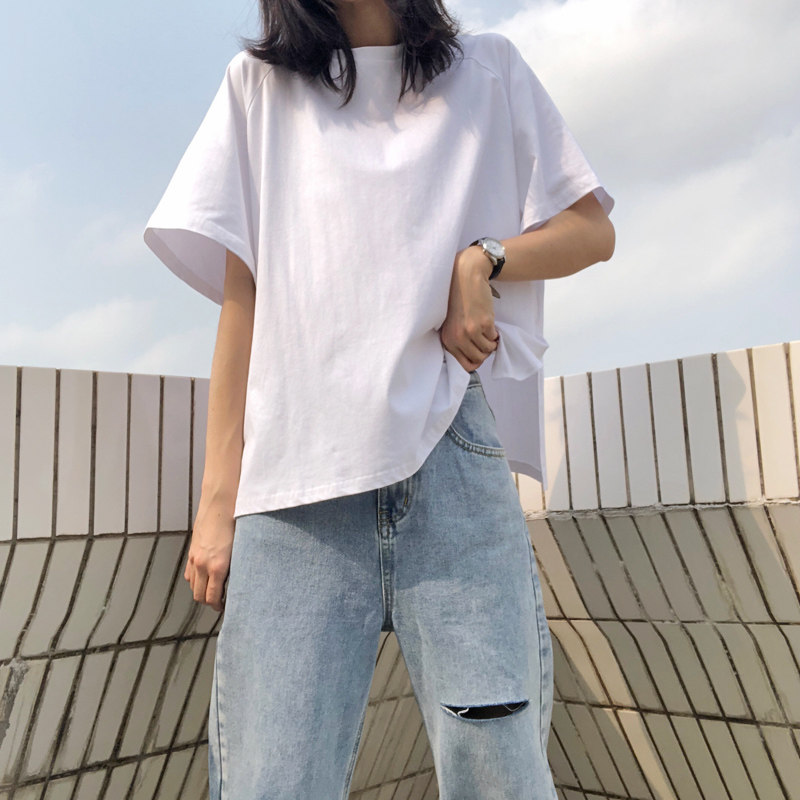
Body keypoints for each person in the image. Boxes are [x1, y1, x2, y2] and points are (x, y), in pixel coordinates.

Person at [143, 0, 614, 797]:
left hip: (452, 472)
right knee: (271, 783)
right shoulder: (258, 88)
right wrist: (217, 505)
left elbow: (591, 228)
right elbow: (245, 300)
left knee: (499, 777)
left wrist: (483, 259)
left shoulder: (489, 71)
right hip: (294, 495)